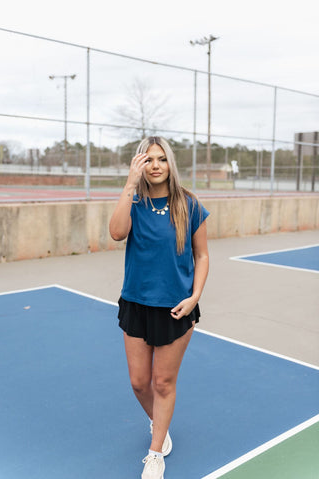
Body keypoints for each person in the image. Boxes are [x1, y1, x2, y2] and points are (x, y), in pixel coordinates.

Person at [109, 136, 209, 479]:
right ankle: (160, 425)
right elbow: (116, 233)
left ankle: (155, 454)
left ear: (170, 164)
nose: (155, 165)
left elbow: (202, 255)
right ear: (140, 164)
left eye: (161, 159)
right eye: (148, 159)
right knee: (139, 383)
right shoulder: (134, 202)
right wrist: (127, 184)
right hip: (136, 303)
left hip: (175, 306)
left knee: (163, 383)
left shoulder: (190, 204)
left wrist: (194, 296)